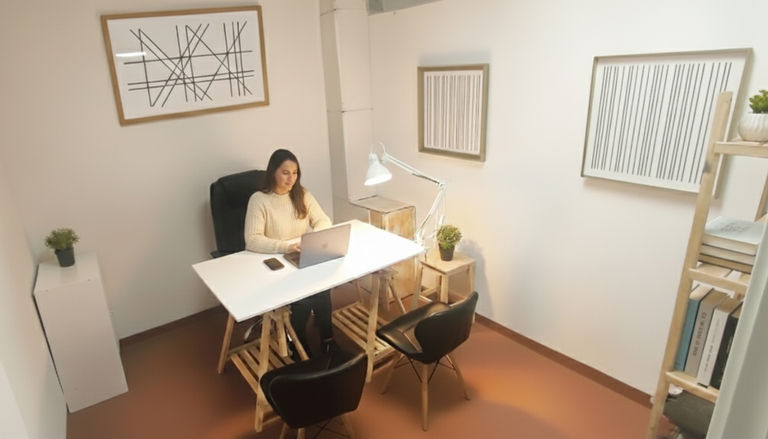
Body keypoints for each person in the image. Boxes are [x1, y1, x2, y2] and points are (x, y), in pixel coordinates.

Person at [244, 149, 336, 357]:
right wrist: (285, 246)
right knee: (302, 297)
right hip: (275, 260)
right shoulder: (259, 200)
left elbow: (323, 220)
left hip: (301, 254)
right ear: (273, 172)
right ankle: (298, 344)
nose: (291, 179)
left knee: (322, 288)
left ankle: (328, 340)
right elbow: (252, 239)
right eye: (285, 173)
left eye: (295, 173)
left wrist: (314, 238)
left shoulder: (301, 194)